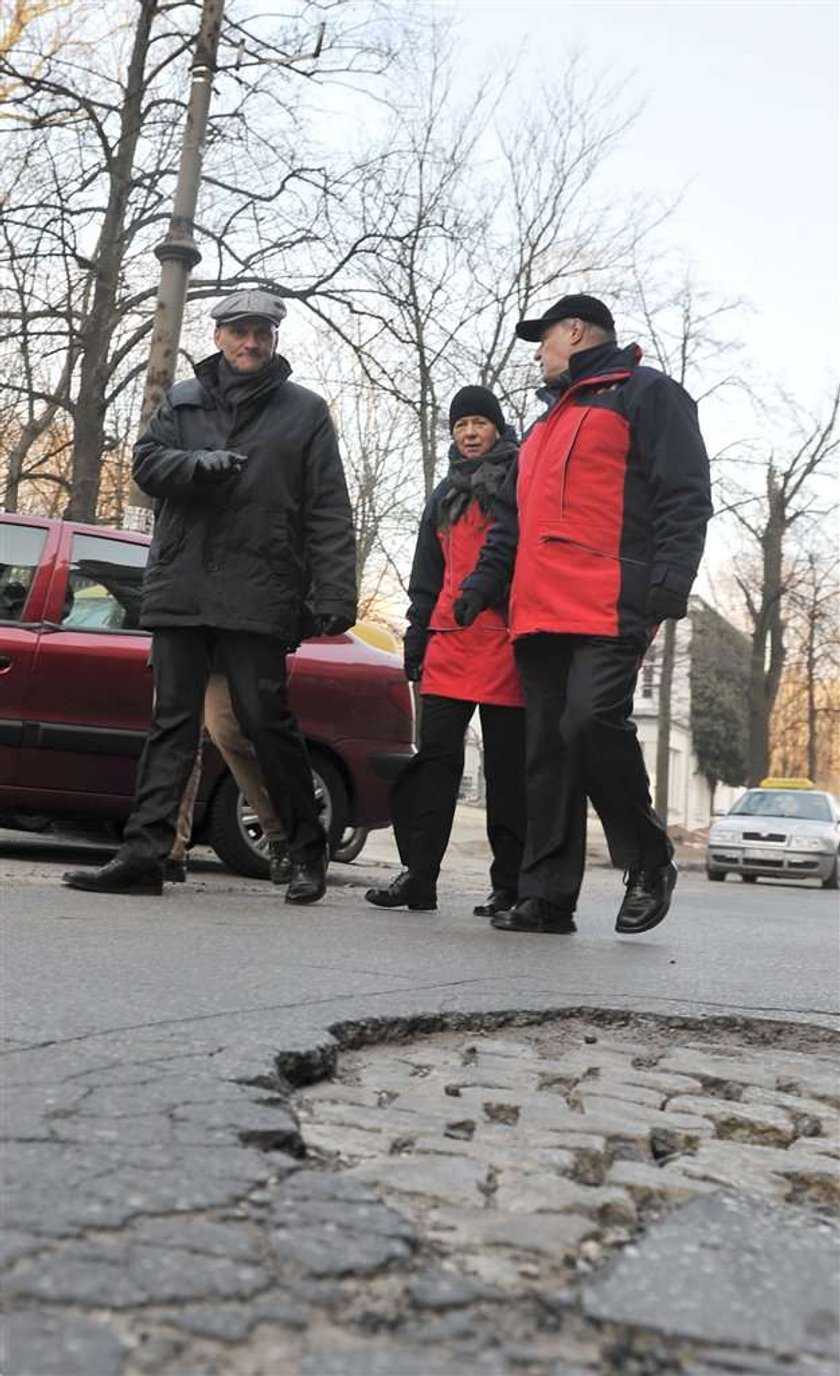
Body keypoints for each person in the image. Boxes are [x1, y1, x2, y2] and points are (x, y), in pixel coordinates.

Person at [64, 288, 356, 903]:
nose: (251, 342)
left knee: (266, 723)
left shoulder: (304, 412)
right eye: (240, 331)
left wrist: (335, 590)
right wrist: (197, 466)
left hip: (260, 588)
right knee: (170, 724)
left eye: (262, 333)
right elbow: (146, 465)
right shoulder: (183, 399)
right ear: (219, 336)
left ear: (274, 340)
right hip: (183, 583)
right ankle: (144, 856)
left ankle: (307, 854)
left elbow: (329, 508)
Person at [454, 294, 712, 935]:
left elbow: (685, 492)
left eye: (542, 340)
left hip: (609, 601)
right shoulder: (540, 431)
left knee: (591, 719)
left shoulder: (647, 394)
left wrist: (671, 580)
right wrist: (483, 585)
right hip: (537, 613)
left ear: (573, 330)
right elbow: (510, 525)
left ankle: (648, 857)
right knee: (546, 754)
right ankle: (546, 899)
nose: (538, 354)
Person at [365, 386, 530, 915]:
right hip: (447, 639)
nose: (470, 433)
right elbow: (426, 570)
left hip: (504, 640)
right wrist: (416, 633)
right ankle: (419, 875)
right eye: (461, 426)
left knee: (507, 771)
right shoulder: (443, 494)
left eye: (480, 423)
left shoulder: (523, 484)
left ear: (498, 429)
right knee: (434, 762)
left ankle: (510, 885)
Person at [165, 671, 291, 885]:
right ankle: (171, 849)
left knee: (227, 733)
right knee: (177, 738)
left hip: (222, 651)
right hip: (178, 644)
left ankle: (282, 832)